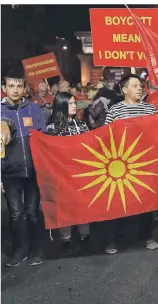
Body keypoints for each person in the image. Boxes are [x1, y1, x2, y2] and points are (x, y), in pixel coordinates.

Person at [103, 74, 158, 254]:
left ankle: (145, 235)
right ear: (124, 90)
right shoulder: (115, 110)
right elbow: (106, 134)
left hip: (145, 163)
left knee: (146, 201)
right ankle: (115, 239)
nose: (139, 88)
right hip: (122, 164)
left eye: (140, 85)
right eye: (134, 86)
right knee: (120, 201)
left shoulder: (150, 109)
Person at [1, 69, 46, 267]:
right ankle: (19, 250)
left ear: (25, 88)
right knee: (16, 214)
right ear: (4, 88)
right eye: (11, 86)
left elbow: (44, 139)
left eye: (19, 85)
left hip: (33, 171)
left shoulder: (34, 109)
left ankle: (36, 249)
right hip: (9, 173)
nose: (15, 90)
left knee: (33, 212)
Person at [46, 92, 90, 252]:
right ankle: (66, 236)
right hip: (62, 173)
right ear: (62, 105)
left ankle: (85, 232)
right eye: (71, 103)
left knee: (82, 202)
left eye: (74, 103)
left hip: (82, 171)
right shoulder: (53, 128)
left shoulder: (82, 125)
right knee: (65, 204)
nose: (74, 106)